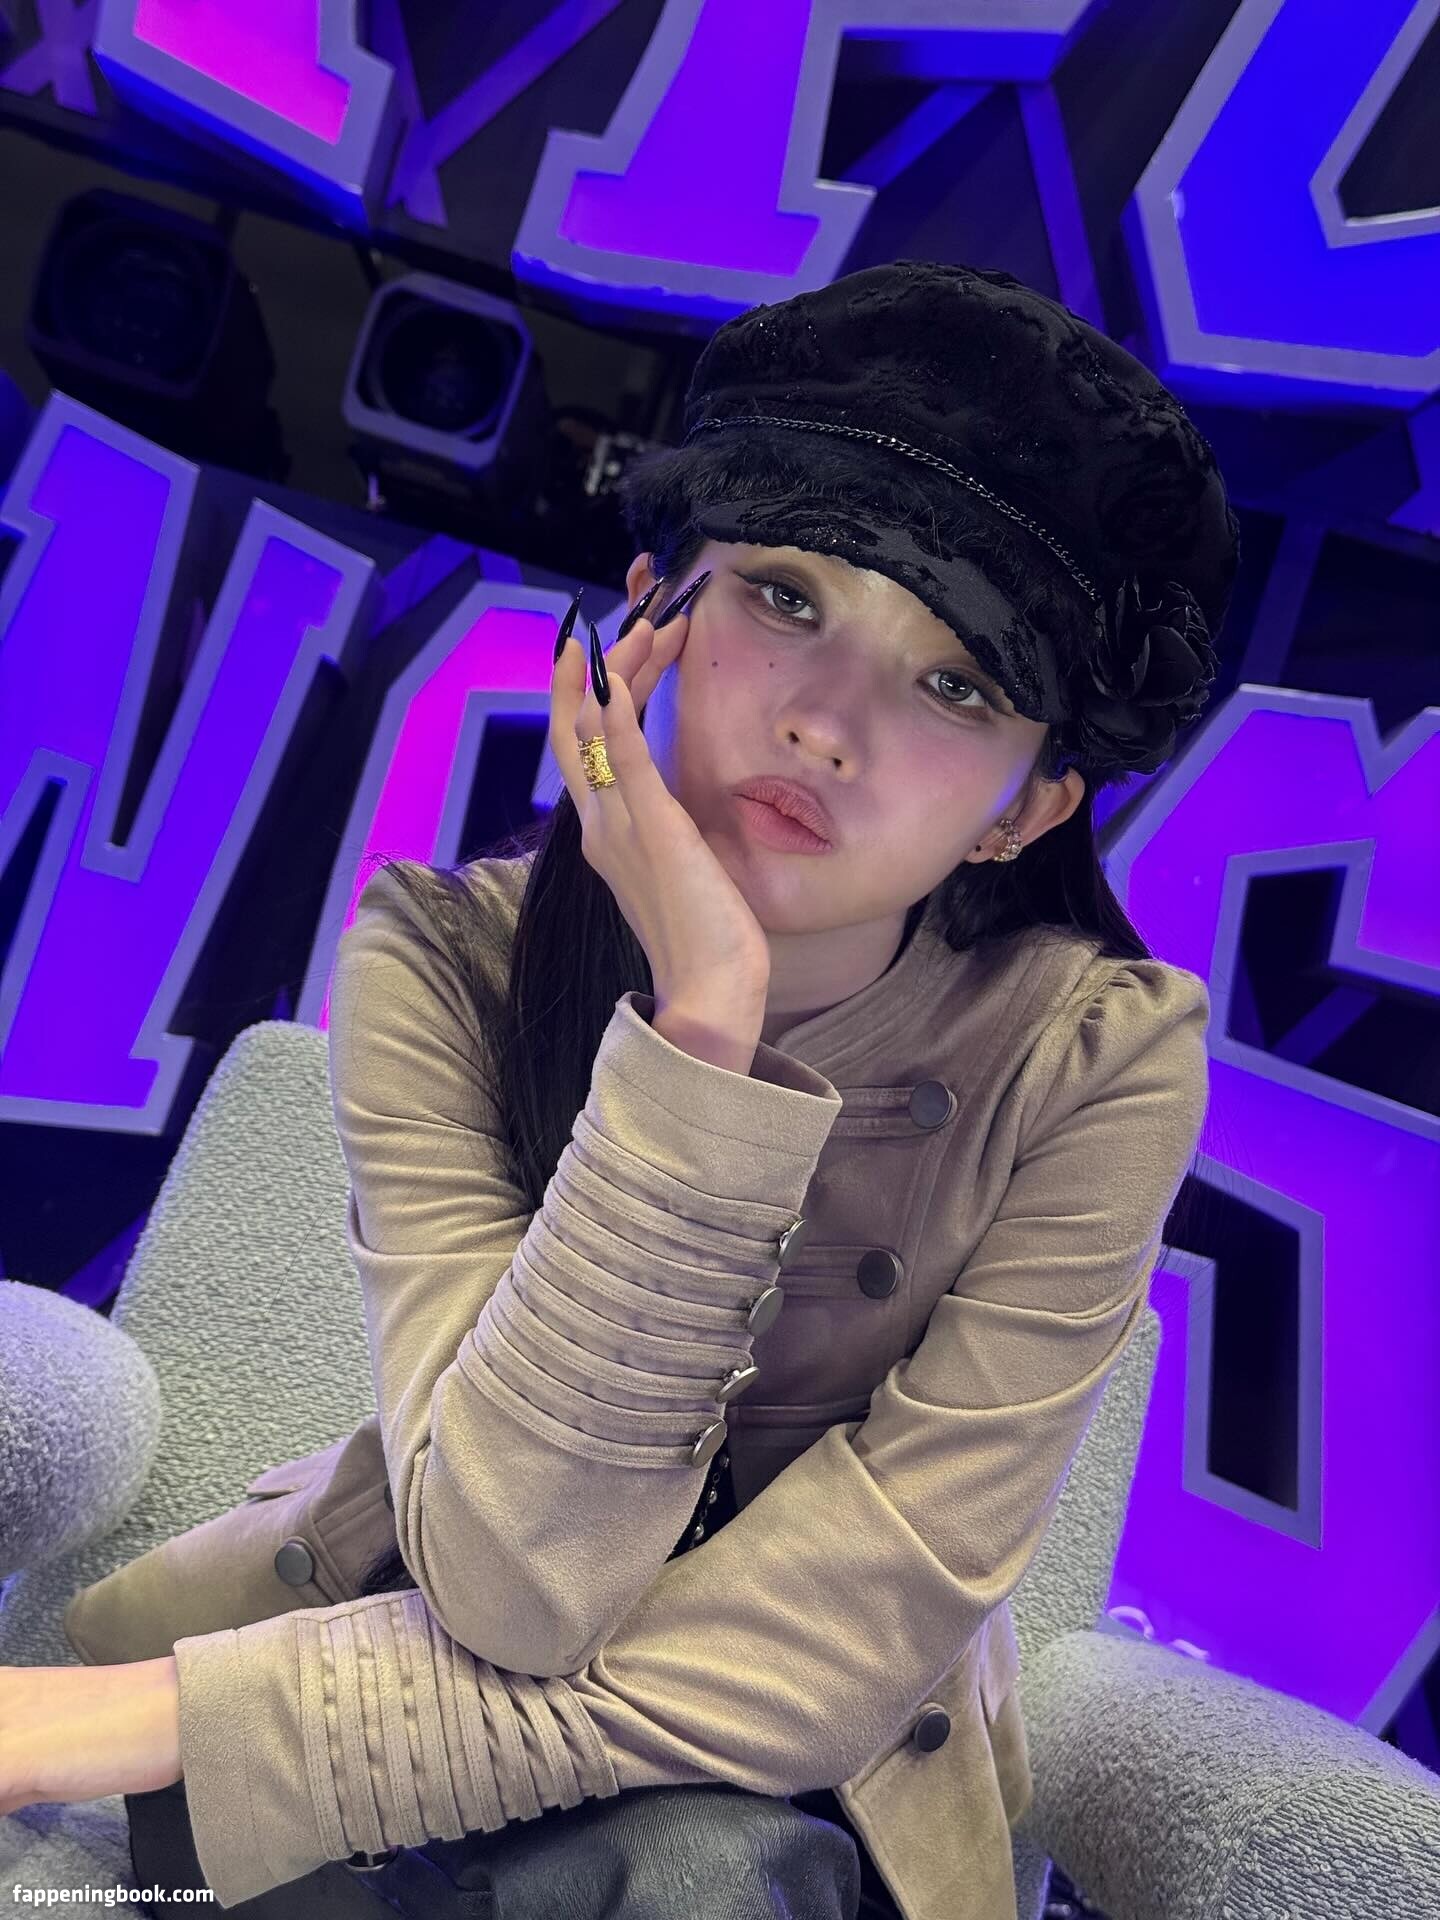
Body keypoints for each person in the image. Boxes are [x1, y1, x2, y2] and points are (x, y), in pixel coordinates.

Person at [30, 259, 1238, 1920]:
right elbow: (516, 1579)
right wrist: (701, 1028)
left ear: (1027, 812)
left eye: (957, 683)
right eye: (788, 598)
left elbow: (835, 1641)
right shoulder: (441, 957)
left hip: (757, 1800)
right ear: (651, 612)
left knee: (703, 1864)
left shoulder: (1095, 1059)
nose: (825, 725)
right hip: (381, 1660)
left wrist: (183, 1724)